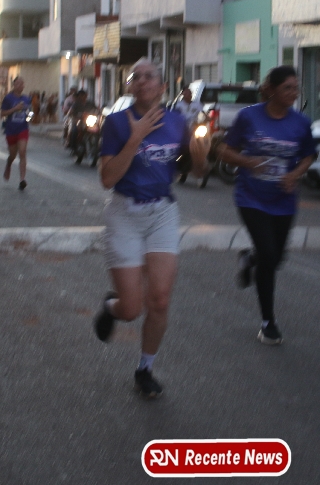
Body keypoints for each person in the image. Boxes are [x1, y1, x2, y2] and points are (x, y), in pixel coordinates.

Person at [91, 59, 210, 399]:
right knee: (131, 309)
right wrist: (136, 137)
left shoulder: (177, 122)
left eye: (149, 77)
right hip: (124, 213)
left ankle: (145, 368)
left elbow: (197, 172)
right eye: (136, 77)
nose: (142, 81)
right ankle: (112, 307)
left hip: (162, 212)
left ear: (162, 87)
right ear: (129, 86)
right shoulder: (116, 123)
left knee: (158, 300)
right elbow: (107, 179)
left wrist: (201, 157)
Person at [218, 66, 316, 345]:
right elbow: (224, 150)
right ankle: (268, 322)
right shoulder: (249, 116)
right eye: (287, 88)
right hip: (251, 197)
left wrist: (294, 175)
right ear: (271, 90)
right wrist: (248, 162)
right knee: (269, 254)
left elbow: (309, 155)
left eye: (296, 88)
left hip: (283, 200)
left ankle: (250, 259)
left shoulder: (301, 123)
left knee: (276, 258)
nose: (293, 93)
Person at [0, 76, 31, 190]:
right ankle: (9, 165)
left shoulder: (27, 98)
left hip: (23, 128)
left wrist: (28, 119)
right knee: (12, 155)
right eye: (18, 84)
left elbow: (31, 112)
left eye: (22, 84)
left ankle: (22, 179)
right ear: (14, 85)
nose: (20, 86)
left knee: (22, 152)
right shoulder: (8, 98)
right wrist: (15, 109)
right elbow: (2, 114)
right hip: (11, 130)